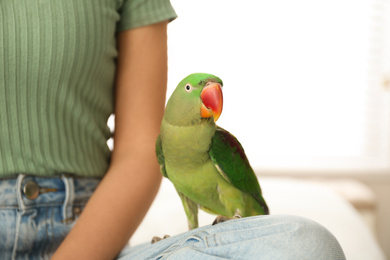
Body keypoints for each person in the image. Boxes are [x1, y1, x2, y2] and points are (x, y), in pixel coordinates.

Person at [0, 1, 346, 259]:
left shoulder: (218, 143)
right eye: (194, 88)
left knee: (308, 244)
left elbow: (138, 154)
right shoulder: (167, 149)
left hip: (89, 239)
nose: (207, 92)